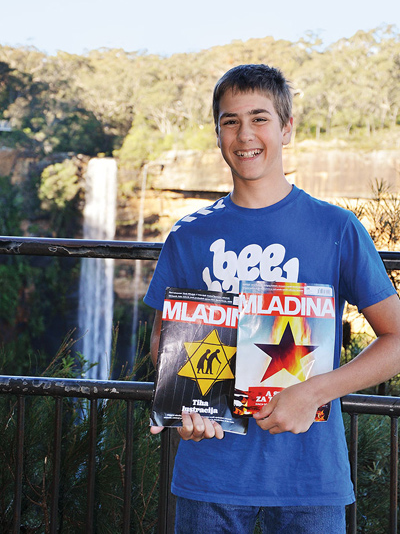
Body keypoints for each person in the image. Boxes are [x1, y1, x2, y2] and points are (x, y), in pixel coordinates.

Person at [144, 64, 400, 534]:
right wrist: (183, 405)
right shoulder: (188, 235)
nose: (245, 135)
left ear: (286, 128)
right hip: (209, 477)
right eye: (230, 120)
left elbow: (397, 339)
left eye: (260, 118)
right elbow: (164, 341)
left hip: (309, 481)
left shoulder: (337, 229)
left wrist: (315, 391)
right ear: (217, 133)